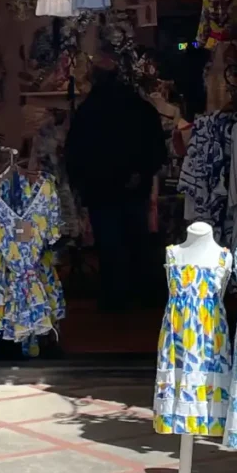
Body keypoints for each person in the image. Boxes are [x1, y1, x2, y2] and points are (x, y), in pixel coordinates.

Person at [65, 51, 167, 311]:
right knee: (137, 242)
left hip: (101, 191)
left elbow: (75, 152)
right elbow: (155, 145)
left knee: (110, 246)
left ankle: (115, 298)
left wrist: (82, 185)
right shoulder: (138, 106)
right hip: (133, 187)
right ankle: (143, 294)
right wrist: (141, 173)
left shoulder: (88, 111)